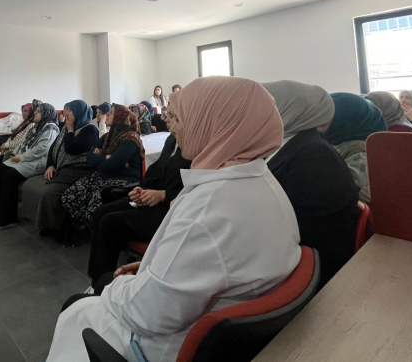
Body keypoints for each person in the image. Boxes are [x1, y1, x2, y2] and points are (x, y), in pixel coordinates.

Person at [46, 77, 300, 362]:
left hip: (158, 342)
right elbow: (210, 265)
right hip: (199, 319)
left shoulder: (208, 210)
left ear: (211, 124)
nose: (172, 125)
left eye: (180, 118)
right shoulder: (263, 181)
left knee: (77, 307)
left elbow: (147, 312)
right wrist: (155, 265)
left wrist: (116, 287)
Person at [263, 80, 360, 285]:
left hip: (312, 267)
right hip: (285, 252)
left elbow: (301, 229)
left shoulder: (316, 156)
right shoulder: (285, 144)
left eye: (263, 107)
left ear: (291, 111)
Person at [86, 132, 191, 289]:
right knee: (100, 212)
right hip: (152, 197)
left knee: (109, 223)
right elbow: (156, 169)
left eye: (175, 119)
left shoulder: (193, 147)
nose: (167, 121)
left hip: (169, 209)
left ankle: (102, 286)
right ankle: (96, 279)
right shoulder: (172, 140)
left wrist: (163, 195)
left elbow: (193, 188)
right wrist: (141, 188)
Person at [61, 105, 144, 231]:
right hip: (102, 176)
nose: (107, 115)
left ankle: (94, 231)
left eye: (112, 112)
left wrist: (102, 159)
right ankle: (85, 228)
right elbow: (89, 158)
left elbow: (112, 164)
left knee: (93, 205)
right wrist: (106, 157)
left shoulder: (131, 138)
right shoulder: (108, 136)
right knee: (69, 195)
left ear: (120, 117)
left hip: (123, 180)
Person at [21, 100, 99, 232]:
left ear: (79, 112)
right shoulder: (66, 127)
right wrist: (51, 165)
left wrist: (70, 130)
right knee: (32, 186)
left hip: (79, 170)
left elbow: (71, 148)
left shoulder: (90, 130)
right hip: (64, 169)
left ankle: (54, 227)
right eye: (66, 110)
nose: (66, 113)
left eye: (70, 110)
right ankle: (46, 223)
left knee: (50, 194)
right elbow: (53, 148)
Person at [0, 103, 59, 230]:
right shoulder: (37, 126)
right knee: (0, 170)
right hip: (27, 159)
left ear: (46, 114)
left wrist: (21, 157)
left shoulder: (51, 128)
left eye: (38, 111)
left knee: (9, 176)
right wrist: (15, 153)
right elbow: (23, 143)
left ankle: (8, 219)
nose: (35, 113)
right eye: (36, 111)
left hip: (37, 162)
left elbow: (42, 149)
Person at [323, 93, 387, 203]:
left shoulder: (359, 148)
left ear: (345, 118)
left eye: (327, 115)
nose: (319, 120)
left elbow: (363, 194)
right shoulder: (333, 139)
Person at [0, 102, 38, 196]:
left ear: (31, 112)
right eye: (22, 111)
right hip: (8, 149)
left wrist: (7, 145)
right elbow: (13, 137)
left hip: (13, 152)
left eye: (25, 111)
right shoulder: (24, 123)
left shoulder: (31, 125)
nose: (23, 113)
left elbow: (21, 142)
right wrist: (5, 145)